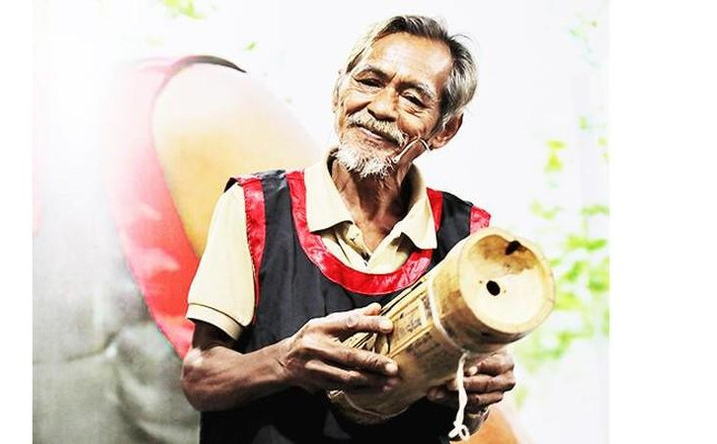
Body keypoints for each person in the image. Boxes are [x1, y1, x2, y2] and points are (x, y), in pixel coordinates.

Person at [180, 15, 517, 443]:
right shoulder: (255, 207)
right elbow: (200, 379)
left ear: (444, 130)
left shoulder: (468, 239)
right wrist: (286, 361)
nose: (380, 108)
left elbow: (466, 420)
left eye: (412, 98)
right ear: (339, 90)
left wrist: (477, 395)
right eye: (369, 81)